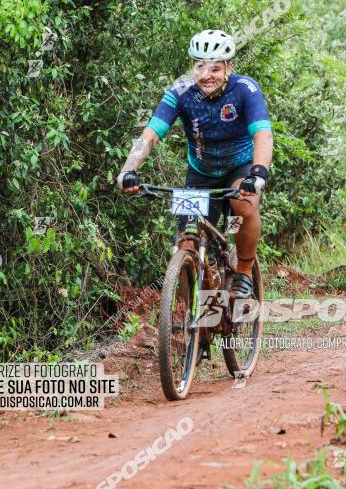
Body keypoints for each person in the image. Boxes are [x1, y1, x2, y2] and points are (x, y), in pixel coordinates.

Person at [117, 29, 273, 298]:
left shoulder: (245, 89)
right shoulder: (180, 91)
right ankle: (196, 327)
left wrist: (258, 173)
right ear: (193, 66)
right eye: (200, 66)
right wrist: (128, 169)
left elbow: (263, 134)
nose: (206, 74)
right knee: (186, 244)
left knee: (243, 204)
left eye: (215, 67)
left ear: (228, 68)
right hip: (201, 174)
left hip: (240, 168)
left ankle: (245, 271)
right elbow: (151, 134)